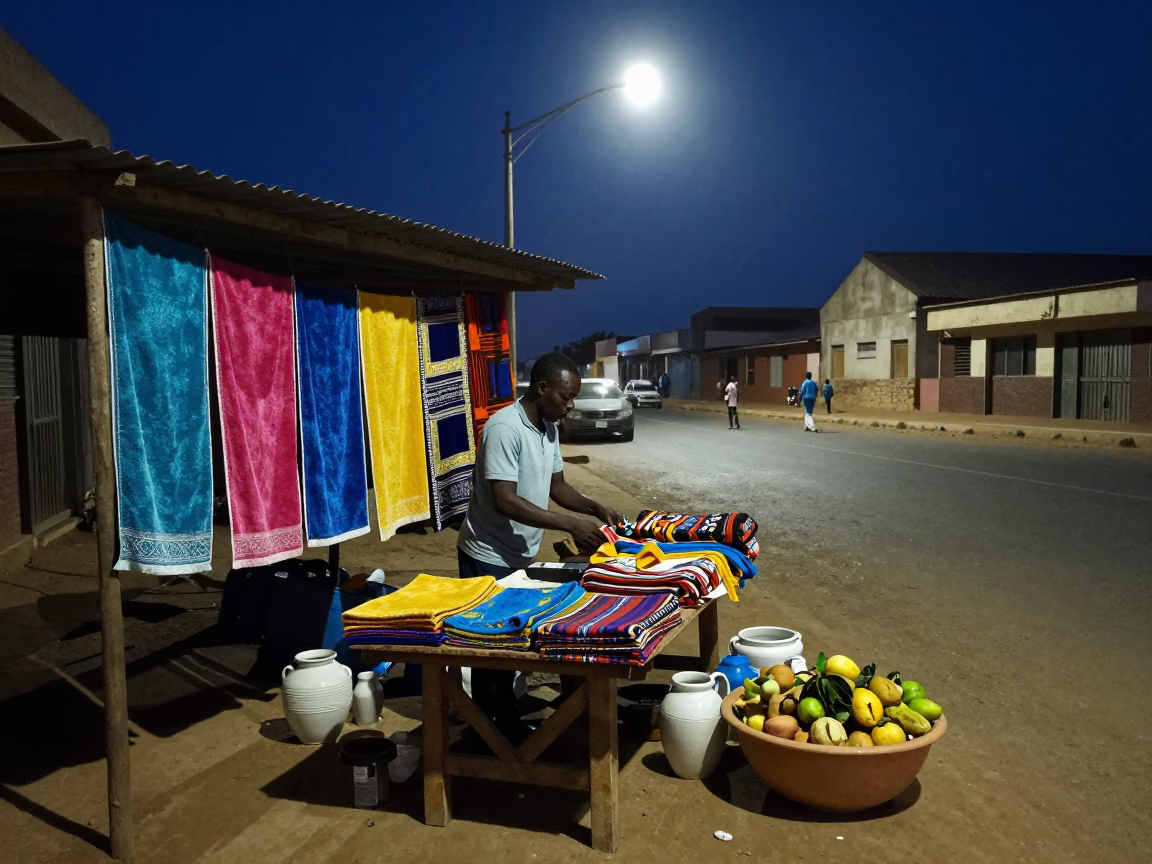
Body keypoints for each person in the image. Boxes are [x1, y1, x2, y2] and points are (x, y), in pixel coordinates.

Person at [457, 352, 623, 734]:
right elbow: (505, 499)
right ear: (542, 388)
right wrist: (569, 524)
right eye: (566, 397)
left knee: (509, 644)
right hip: (487, 553)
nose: (571, 405)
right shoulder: (504, 429)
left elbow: (558, 486)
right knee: (487, 648)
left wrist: (596, 507)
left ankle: (505, 723)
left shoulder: (549, 427)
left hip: (517, 553)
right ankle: (487, 733)